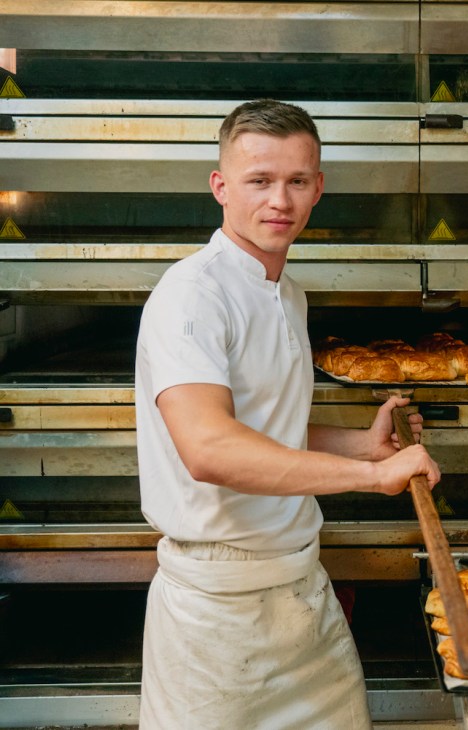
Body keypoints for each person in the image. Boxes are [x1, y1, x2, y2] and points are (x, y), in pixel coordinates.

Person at [134, 99, 440, 729]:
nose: (280, 200)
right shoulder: (192, 295)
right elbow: (212, 449)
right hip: (215, 612)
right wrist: (368, 480)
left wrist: (361, 446)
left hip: (300, 587)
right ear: (220, 187)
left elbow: (262, 426)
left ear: (318, 187)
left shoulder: (287, 292)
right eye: (259, 181)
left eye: (297, 181)